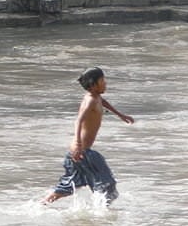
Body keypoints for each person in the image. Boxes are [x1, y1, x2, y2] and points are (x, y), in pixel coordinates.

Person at [43, 67, 135, 205]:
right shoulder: (90, 100)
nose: (105, 83)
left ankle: (42, 204)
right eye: (102, 81)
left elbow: (103, 102)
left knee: (69, 186)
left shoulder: (96, 97)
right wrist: (79, 145)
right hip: (82, 152)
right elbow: (79, 120)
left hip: (78, 152)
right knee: (107, 185)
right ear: (93, 85)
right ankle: (101, 214)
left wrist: (120, 115)